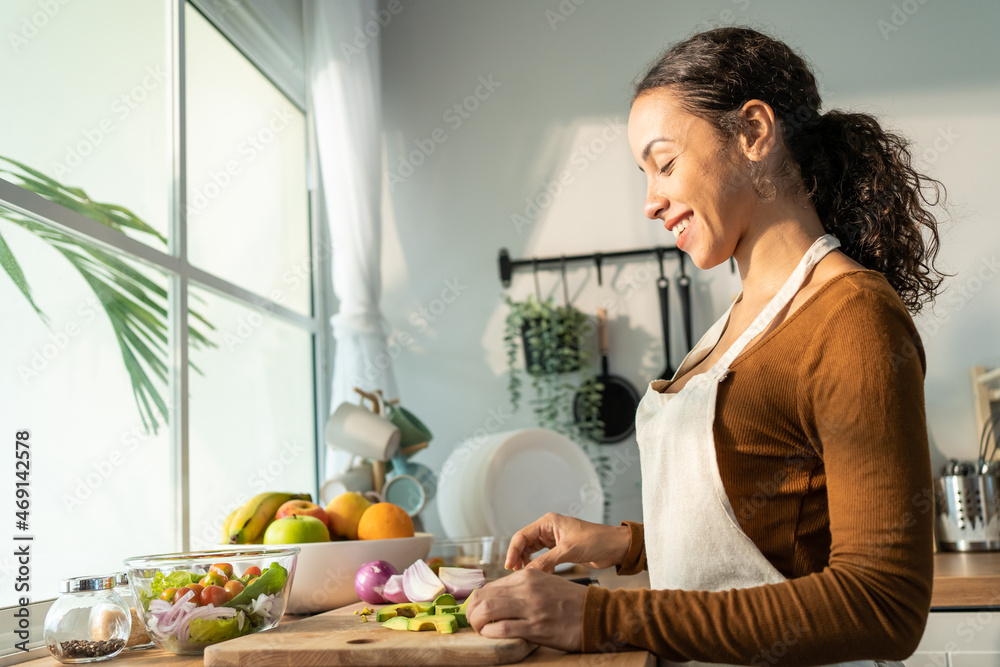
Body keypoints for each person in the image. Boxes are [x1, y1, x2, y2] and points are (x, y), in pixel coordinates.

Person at [466, 26, 945, 666]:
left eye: (665, 163)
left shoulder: (852, 318)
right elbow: (768, 526)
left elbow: (883, 605)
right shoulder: (739, 321)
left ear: (753, 132)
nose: (651, 201)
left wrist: (604, 615)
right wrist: (623, 545)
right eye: (644, 174)